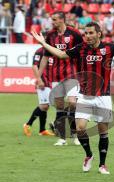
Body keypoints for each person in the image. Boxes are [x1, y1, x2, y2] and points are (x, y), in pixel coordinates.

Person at [31, 21, 114, 175]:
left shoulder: (109, 48)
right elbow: (61, 54)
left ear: (99, 34)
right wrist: (43, 43)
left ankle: (102, 164)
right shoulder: (80, 49)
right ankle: (88, 154)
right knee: (80, 128)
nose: (87, 36)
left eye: (91, 33)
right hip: (85, 96)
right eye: (85, 33)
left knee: (103, 131)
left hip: (104, 96)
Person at [36, 11, 83, 146]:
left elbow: (82, 52)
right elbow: (45, 56)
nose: (53, 22)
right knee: (60, 106)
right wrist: (39, 76)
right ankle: (62, 138)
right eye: (52, 19)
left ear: (62, 19)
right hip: (56, 76)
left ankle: (75, 134)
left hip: (73, 74)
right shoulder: (51, 35)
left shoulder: (74, 33)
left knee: (73, 103)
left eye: (55, 19)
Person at [23, 47, 55, 137]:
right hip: (44, 81)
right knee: (44, 105)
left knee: (45, 106)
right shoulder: (40, 51)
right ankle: (28, 124)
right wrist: (39, 79)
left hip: (52, 81)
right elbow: (34, 66)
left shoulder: (54, 49)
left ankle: (42, 130)